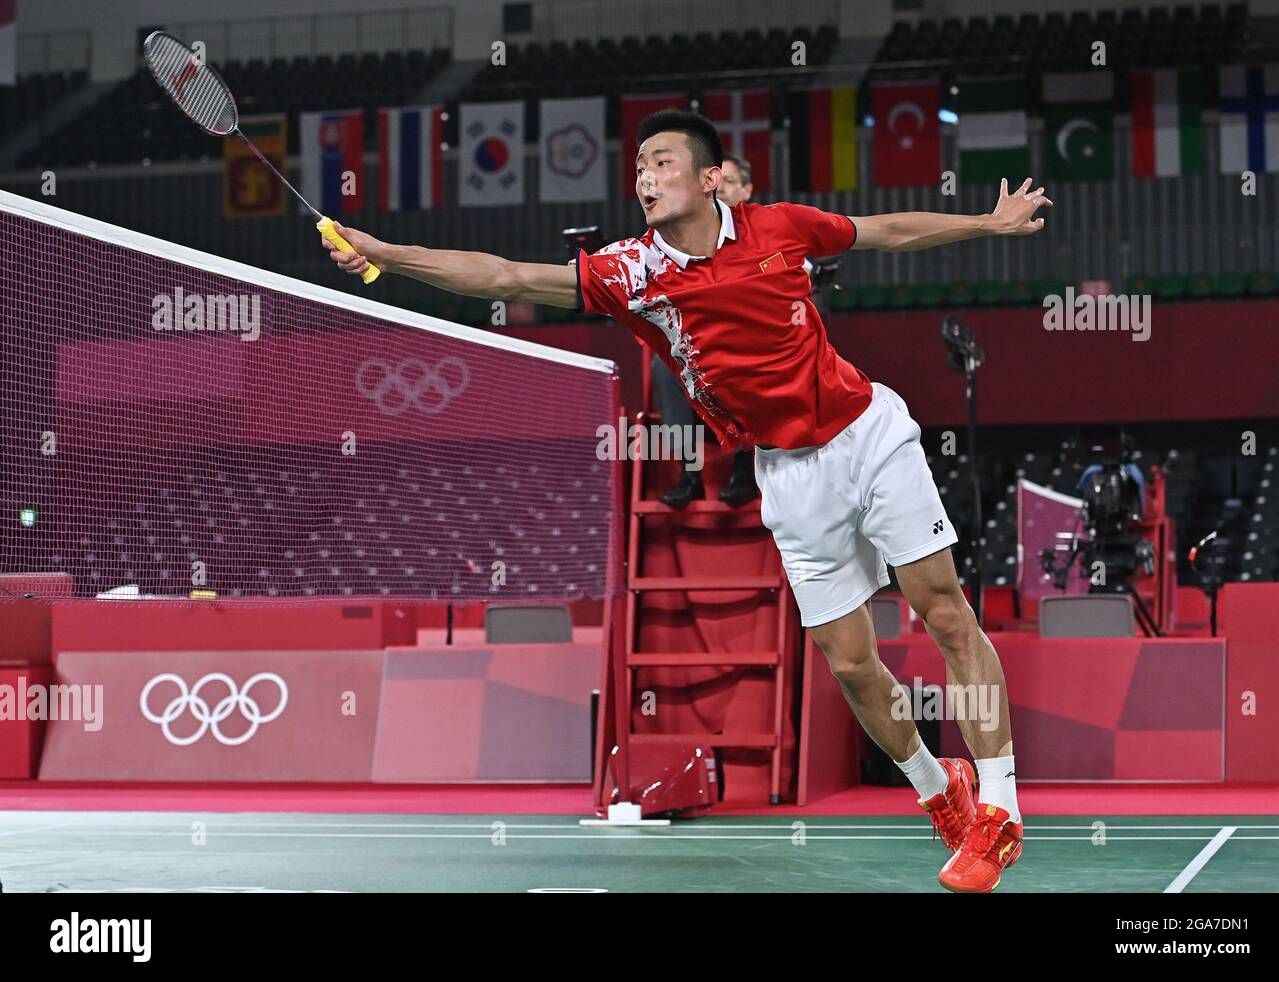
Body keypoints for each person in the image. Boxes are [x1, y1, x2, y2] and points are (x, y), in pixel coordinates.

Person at [321, 110, 1051, 893]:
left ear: (708, 178)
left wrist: (987, 220)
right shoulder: (630, 271)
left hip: (866, 434)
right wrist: (387, 255)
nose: (644, 176)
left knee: (943, 610)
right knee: (850, 663)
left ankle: (1001, 811)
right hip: (786, 475)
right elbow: (506, 276)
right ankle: (942, 793)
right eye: (637, 167)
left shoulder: (780, 226)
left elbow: (886, 230)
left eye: (661, 162)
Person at [652, 152, 760, 507]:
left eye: (730, 182)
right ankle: (689, 473)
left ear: (747, 189)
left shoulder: (764, 233)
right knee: (663, 366)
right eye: (716, 183)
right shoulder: (685, 239)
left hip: (751, 353)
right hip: (700, 353)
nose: (721, 189)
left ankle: (745, 466)